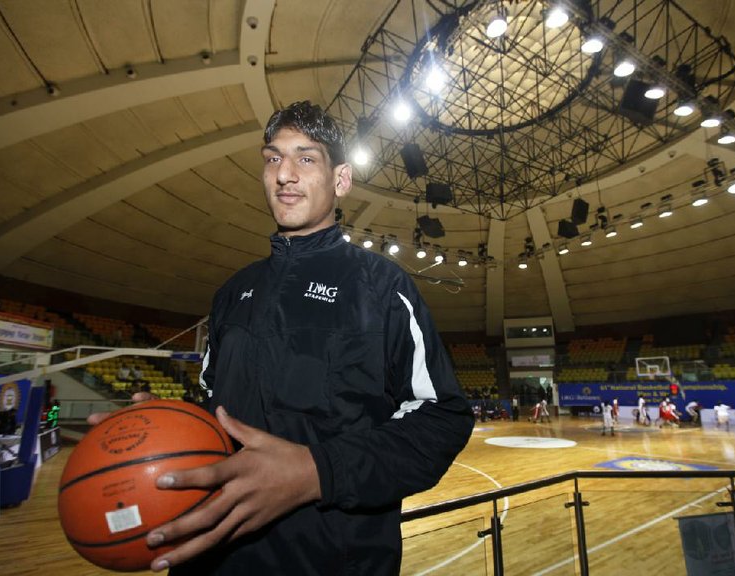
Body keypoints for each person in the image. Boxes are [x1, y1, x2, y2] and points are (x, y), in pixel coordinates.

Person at [91, 101, 474, 575]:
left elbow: (444, 418)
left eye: (306, 158)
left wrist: (318, 471)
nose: (284, 175)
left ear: (341, 180)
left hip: (332, 561)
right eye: (273, 158)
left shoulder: (383, 288)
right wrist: (173, 421)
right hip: (212, 559)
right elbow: (217, 406)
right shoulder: (232, 293)